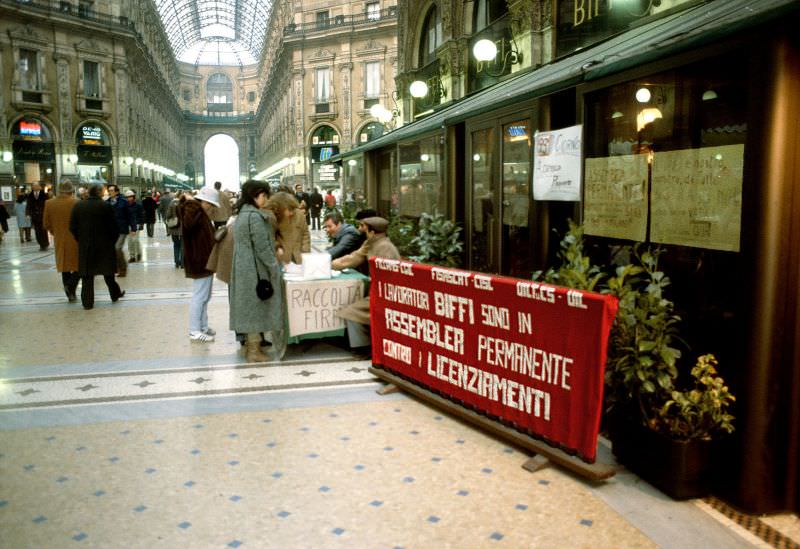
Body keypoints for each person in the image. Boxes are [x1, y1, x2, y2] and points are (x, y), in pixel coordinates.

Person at [230, 181, 285, 362]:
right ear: (256, 195)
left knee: (248, 308)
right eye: (264, 195)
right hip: (254, 271)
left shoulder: (242, 214)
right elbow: (263, 247)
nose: (266, 199)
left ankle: (251, 348)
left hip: (244, 268)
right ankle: (254, 351)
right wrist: (273, 267)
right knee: (255, 308)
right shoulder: (254, 217)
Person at [331, 217, 400, 355]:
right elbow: (353, 258)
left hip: (386, 295)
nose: (360, 229)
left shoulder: (385, 247)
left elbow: (389, 277)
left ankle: (363, 348)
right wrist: (329, 263)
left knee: (352, 312)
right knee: (353, 309)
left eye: (363, 227)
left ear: (372, 232)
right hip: (377, 291)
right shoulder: (371, 243)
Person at [69, 183, 125, 310]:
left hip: (86, 246)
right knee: (108, 274)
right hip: (105, 246)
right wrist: (111, 241)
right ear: (99, 192)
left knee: (87, 276)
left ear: (88, 192)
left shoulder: (79, 206)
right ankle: (115, 294)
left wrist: (81, 239)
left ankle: (87, 303)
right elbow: (114, 227)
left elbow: (72, 226)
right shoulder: (106, 206)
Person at [179, 186, 218, 342]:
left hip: (204, 259)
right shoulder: (193, 210)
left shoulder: (199, 213)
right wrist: (194, 204)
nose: (212, 208)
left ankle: (202, 326)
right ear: (206, 202)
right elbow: (189, 224)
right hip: (199, 259)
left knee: (205, 296)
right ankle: (194, 331)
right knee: (199, 297)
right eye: (212, 205)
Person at [43, 180, 80, 302]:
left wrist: (55, 232)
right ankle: (71, 287)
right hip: (76, 239)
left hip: (59, 239)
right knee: (78, 266)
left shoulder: (49, 203)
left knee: (65, 267)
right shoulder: (77, 203)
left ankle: (70, 294)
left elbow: (46, 223)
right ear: (72, 190)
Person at [105, 184, 136, 276]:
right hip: (111, 230)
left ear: (116, 192)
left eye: (112, 190)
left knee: (117, 248)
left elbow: (130, 215)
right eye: (109, 190)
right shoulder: (107, 203)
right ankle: (118, 268)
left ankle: (123, 268)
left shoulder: (123, 202)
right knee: (113, 250)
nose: (110, 192)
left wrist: (133, 228)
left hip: (122, 229)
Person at [270, 193, 309, 264]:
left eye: (293, 209)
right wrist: (277, 247)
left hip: (298, 256)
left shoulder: (299, 215)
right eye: (289, 210)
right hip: (282, 258)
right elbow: (270, 236)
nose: (291, 213)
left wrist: (305, 252)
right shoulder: (272, 217)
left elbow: (305, 234)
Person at [26, 182, 49, 250]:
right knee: (37, 231)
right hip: (34, 216)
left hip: (43, 216)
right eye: (34, 186)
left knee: (43, 231)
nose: (35, 187)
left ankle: (45, 244)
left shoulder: (44, 195)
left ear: (39, 187)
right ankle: (41, 244)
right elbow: (28, 205)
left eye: (36, 186)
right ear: (32, 187)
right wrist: (27, 214)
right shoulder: (30, 195)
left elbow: (47, 205)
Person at [125, 190, 144, 262]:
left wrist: (141, 224)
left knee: (135, 240)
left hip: (136, 224)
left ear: (133, 197)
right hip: (128, 225)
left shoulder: (138, 205)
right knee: (130, 241)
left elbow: (141, 215)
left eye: (130, 197)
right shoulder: (125, 206)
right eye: (127, 197)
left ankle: (138, 253)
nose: (129, 198)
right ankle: (132, 256)